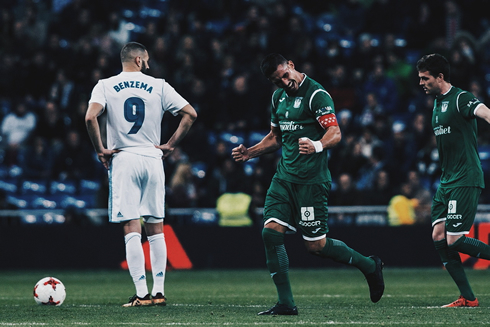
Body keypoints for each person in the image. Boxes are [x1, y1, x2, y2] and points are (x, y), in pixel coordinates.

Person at [232, 53, 384, 316]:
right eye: (276, 80)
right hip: (284, 179)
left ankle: (369, 265)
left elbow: (335, 133)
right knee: (270, 233)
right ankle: (286, 304)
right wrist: (251, 152)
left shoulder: (317, 95)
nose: (284, 82)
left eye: (284, 75)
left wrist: (317, 144)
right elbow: (275, 137)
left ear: (291, 65)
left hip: (311, 182)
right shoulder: (277, 98)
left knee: (316, 246)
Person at [85, 42, 197, 307]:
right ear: (138, 60)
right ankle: (158, 292)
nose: (147, 64)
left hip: (124, 158)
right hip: (152, 157)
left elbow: (90, 118)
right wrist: (170, 144)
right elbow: (190, 114)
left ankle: (142, 295)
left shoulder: (104, 85)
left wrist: (100, 149)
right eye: (145, 60)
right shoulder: (159, 85)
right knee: (156, 227)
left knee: (131, 226)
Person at [416, 53, 490, 307]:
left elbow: (485, 112)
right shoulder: (436, 103)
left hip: (465, 177)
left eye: (425, 78)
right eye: (420, 78)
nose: (421, 83)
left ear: (440, 77)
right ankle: (468, 298)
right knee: (438, 235)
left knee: (455, 239)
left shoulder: (460, 98)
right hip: (447, 181)